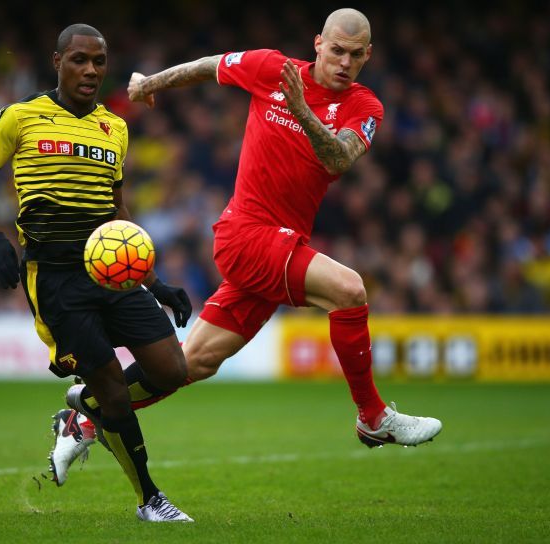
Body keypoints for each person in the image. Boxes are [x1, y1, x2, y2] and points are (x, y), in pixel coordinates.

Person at [57, 8, 443, 479]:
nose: (344, 62)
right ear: (318, 43)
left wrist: (302, 110)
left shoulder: (366, 107)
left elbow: (338, 158)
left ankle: (84, 417)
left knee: (190, 364)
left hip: (278, 244)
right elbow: (209, 65)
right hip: (245, 233)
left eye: (355, 54)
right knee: (349, 290)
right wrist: (150, 84)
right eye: (336, 50)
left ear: (368, 55)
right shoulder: (270, 68)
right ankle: (373, 417)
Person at [0, 23, 195, 523]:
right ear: (58, 61)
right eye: (80, 60)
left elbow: (117, 211)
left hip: (111, 274)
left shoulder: (115, 127)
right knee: (114, 388)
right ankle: (150, 499)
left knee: (173, 370)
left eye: (99, 62)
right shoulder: (21, 117)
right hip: (57, 279)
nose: (90, 70)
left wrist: (154, 282)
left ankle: (80, 410)